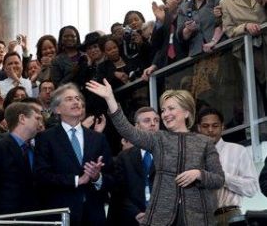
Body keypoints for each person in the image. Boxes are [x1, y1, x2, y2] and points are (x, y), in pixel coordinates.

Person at [86, 79, 224, 226]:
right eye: (163, 110)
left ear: (186, 112)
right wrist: (110, 99)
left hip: (197, 218)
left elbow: (218, 179)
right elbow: (127, 130)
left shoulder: (204, 142)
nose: (165, 114)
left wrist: (198, 174)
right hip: (162, 218)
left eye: (171, 108)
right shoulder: (158, 139)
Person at [34, 83, 114, 225]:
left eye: (78, 98)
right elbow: (41, 176)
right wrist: (77, 180)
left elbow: (112, 176)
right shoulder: (46, 138)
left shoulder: (97, 138)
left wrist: (97, 177)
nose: (76, 102)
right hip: (62, 215)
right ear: (57, 109)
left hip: (94, 215)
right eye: (69, 99)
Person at [0, 102, 42, 215]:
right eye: (36, 118)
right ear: (22, 118)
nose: (40, 124)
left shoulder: (37, 149)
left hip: (36, 217)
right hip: (5, 219)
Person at [197, 107, 259, 226]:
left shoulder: (238, 151)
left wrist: (222, 177)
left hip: (230, 215)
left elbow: (252, 189)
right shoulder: (192, 154)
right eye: (205, 126)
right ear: (199, 128)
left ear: (222, 127)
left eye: (215, 126)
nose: (210, 130)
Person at [107, 106, 160, 226]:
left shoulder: (168, 154)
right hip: (131, 219)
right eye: (147, 120)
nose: (153, 124)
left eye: (156, 120)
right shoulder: (124, 157)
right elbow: (118, 193)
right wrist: (135, 213)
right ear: (136, 126)